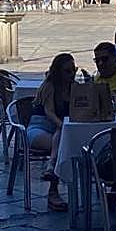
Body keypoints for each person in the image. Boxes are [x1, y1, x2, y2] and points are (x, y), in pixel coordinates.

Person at [29, 53, 76, 212]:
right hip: (39, 128)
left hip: (59, 131)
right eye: (67, 71)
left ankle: (51, 168)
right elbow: (49, 112)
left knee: (65, 140)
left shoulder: (73, 87)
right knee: (64, 144)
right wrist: (63, 125)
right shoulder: (49, 86)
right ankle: (53, 192)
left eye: (73, 70)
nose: (72, 74)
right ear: (58, 71)